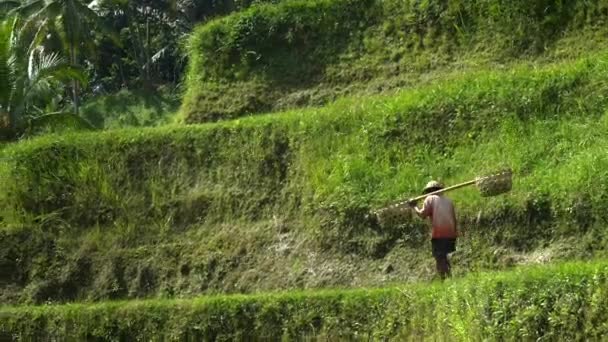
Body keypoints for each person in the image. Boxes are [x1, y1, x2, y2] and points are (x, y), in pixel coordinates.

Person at [408, 181, 458, 280]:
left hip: (439, 234)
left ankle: (444, 280)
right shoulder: (449, 201)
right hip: (451, 233)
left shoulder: (429, 198)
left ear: (429, 191)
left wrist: (414, 206)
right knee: (445, 256)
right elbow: (454, 219)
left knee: (439, 258)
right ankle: (449, 278)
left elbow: (422, 215)